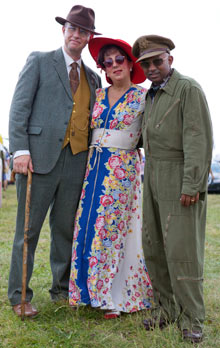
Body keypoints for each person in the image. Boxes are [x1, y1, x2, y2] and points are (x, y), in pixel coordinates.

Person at [8, 5, 101, 318]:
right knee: (28, 231)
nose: (76, 35)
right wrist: (20, 150)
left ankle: (61, 291)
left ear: (89, 37)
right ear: (64, 31)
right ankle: (20, 297)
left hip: (76, 162)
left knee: (66, 231)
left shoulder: (92, 77)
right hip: (37, 160)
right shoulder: (39, 60)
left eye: (83, 31)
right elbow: (19, 108)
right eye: (72, 28)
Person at [132, 35, 213, 342]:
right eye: (146, 63)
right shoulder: (150, 95)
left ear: (170, 60)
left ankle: (192, 319)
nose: (152, 68)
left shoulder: (187, 89)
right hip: (151, 173)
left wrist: (192, 183)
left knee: (182, 251)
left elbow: (198, 139)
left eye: (157, 61)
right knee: (154, 247)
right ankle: (167, 309)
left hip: (178, 174)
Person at [69, 37, 154, 319]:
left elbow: (152, 135)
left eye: (120, 60)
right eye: (108, 61)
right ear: (103, 67)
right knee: (90, 225)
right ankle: (88, 291)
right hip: (94, 168)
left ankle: (115, 297)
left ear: (130, 64)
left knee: (114, 228)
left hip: (123, 170)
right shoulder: (98, 94)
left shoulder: (144, 97)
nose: (115, 65)